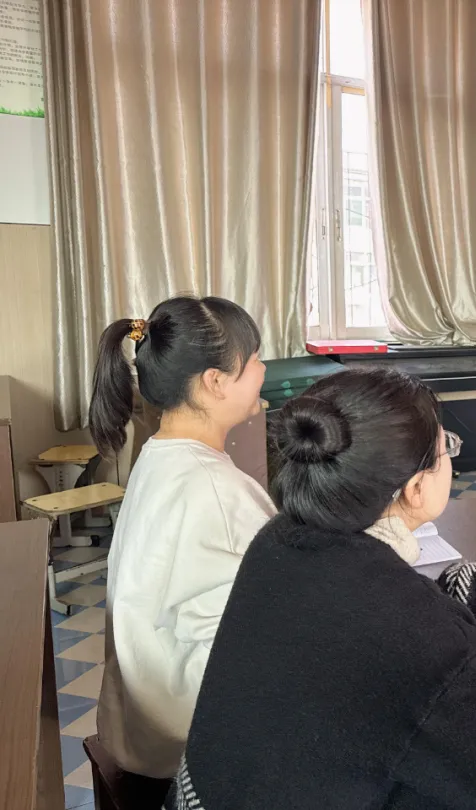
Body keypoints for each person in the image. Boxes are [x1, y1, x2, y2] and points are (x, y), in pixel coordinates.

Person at [169, 367, 476, 810]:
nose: (452, 459)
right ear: (416, 488)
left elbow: (363, 627)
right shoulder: (417, 635)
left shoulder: (281, 540)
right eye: (447, 448)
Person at [90, 295, 276, 782]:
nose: (263, 370)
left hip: (140, 723)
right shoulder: (215, 487)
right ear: (215, 381)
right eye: (255, 359)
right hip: (187, 739)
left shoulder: (159, 455)